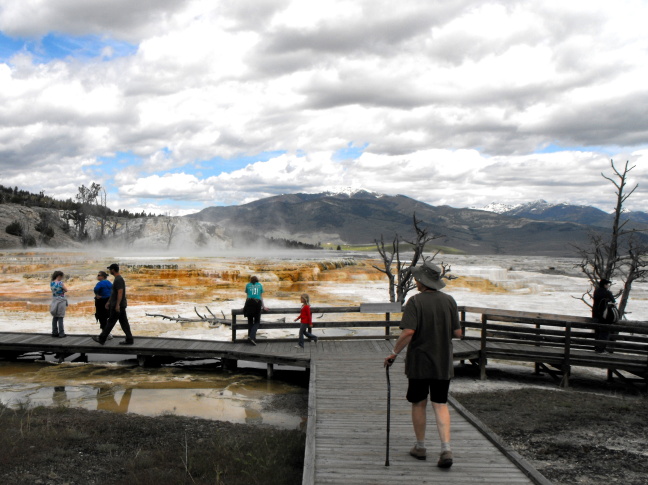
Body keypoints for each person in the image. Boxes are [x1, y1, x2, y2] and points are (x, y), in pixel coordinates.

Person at [384, 261, 462, 469]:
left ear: (422, 281)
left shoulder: (415, 302)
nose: (416, 281)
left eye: (418, 278)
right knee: (440, 403)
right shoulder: (449, 301)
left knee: (419, 403)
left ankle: (420, 447)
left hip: (420, 363)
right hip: (443, 362)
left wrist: (393, 353)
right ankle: (446, 448)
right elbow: (458, 333)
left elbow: (408, 332)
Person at [92, 263, 134, 345]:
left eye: (110, 269)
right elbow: (114, 293)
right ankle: (129, 339)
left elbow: (120, 292)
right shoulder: (117, 279)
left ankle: (102, 338)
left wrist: (117, 304)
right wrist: (108, 302)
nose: (109, 271)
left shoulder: (118, 279)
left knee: (111, 321)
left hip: (118, 305)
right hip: (118, 304)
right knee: (124, 322)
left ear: (113, 270)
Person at [592, 279, 615, 353]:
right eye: (608, 284)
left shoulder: (596, 291)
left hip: (595, 315)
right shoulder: (607, 293)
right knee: (604, 333)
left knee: (597, 332)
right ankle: (601, 350)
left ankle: (597, 348)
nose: (608, 286)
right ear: (605, 285)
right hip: (605, 316)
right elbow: (613, 302)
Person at [243, 275, 265, 345]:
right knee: (257, 321)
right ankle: (252, 337)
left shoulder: (248, 285)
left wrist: (244, 307)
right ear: (257, 280)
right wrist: (263, 306)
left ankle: (250, 338)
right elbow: (261, 297)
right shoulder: (260, 285)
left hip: (249, 303)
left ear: (251, 280)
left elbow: (247, 296)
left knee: (250, 321)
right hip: (257, 303)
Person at [93, 270, 113, 338]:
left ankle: (104, 334)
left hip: (101, 301)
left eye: (99, 275)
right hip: (109, 301)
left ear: (103, 276)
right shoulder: (109, 283)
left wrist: (96, 294)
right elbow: (113, 290)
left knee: (101, 316)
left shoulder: (100, 283)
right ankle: (108, 333)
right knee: (107, 316)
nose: (97, 277)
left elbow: (96, 289)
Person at [49, 270, 69, 338]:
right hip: (61, 300)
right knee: (60, 316)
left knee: (55, 316)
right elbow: (66, 290)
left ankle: (54, 332)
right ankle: (61, 333)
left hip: (54, 300)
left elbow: (53, 291)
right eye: (61, 277)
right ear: (59, 276)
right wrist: (62, 291)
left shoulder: (51, 283)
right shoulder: (60, 283)